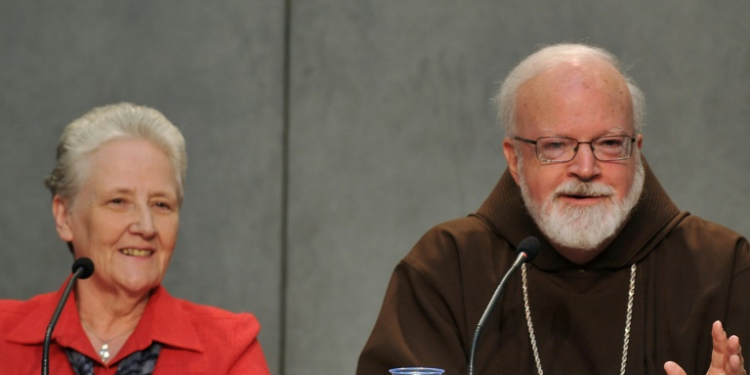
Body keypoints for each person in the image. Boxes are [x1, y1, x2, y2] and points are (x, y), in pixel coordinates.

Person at [356, 44, 750, 375]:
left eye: (610, 144)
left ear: (637, 152)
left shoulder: (721, 268)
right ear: (515, 159)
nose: (585, 168)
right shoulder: (447, 268)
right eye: (556, 146)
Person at [0, 103, 271, 374]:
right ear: (64, 216)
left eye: (161, 204)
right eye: (118, 201)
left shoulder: (228, 348)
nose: (146, 226)